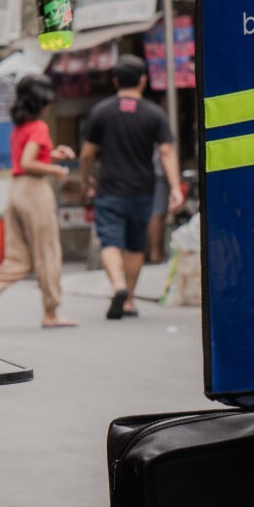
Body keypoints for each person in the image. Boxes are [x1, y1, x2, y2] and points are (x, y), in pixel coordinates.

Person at [0, 73, 76, 329]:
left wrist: (52, 156)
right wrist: (56, 170)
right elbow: (28, 163)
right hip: (34, 192)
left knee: (19, 258)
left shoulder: (20, 128)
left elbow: (27, 158)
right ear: (42, 103)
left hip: (16, 192)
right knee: (48, 253)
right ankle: (51, 312)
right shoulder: (39, 127)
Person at [80, 57, 183, 320]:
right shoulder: (154, 114)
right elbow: (167, 152)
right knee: (136, 246)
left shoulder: (101, 111)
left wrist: (85, 179)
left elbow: (88, 153)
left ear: (115, 81)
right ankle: (129, 301)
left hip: (111, 189)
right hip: (143, 190)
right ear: (143, 81)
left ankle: (118, 286)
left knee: (110, 241)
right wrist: (175, 187)